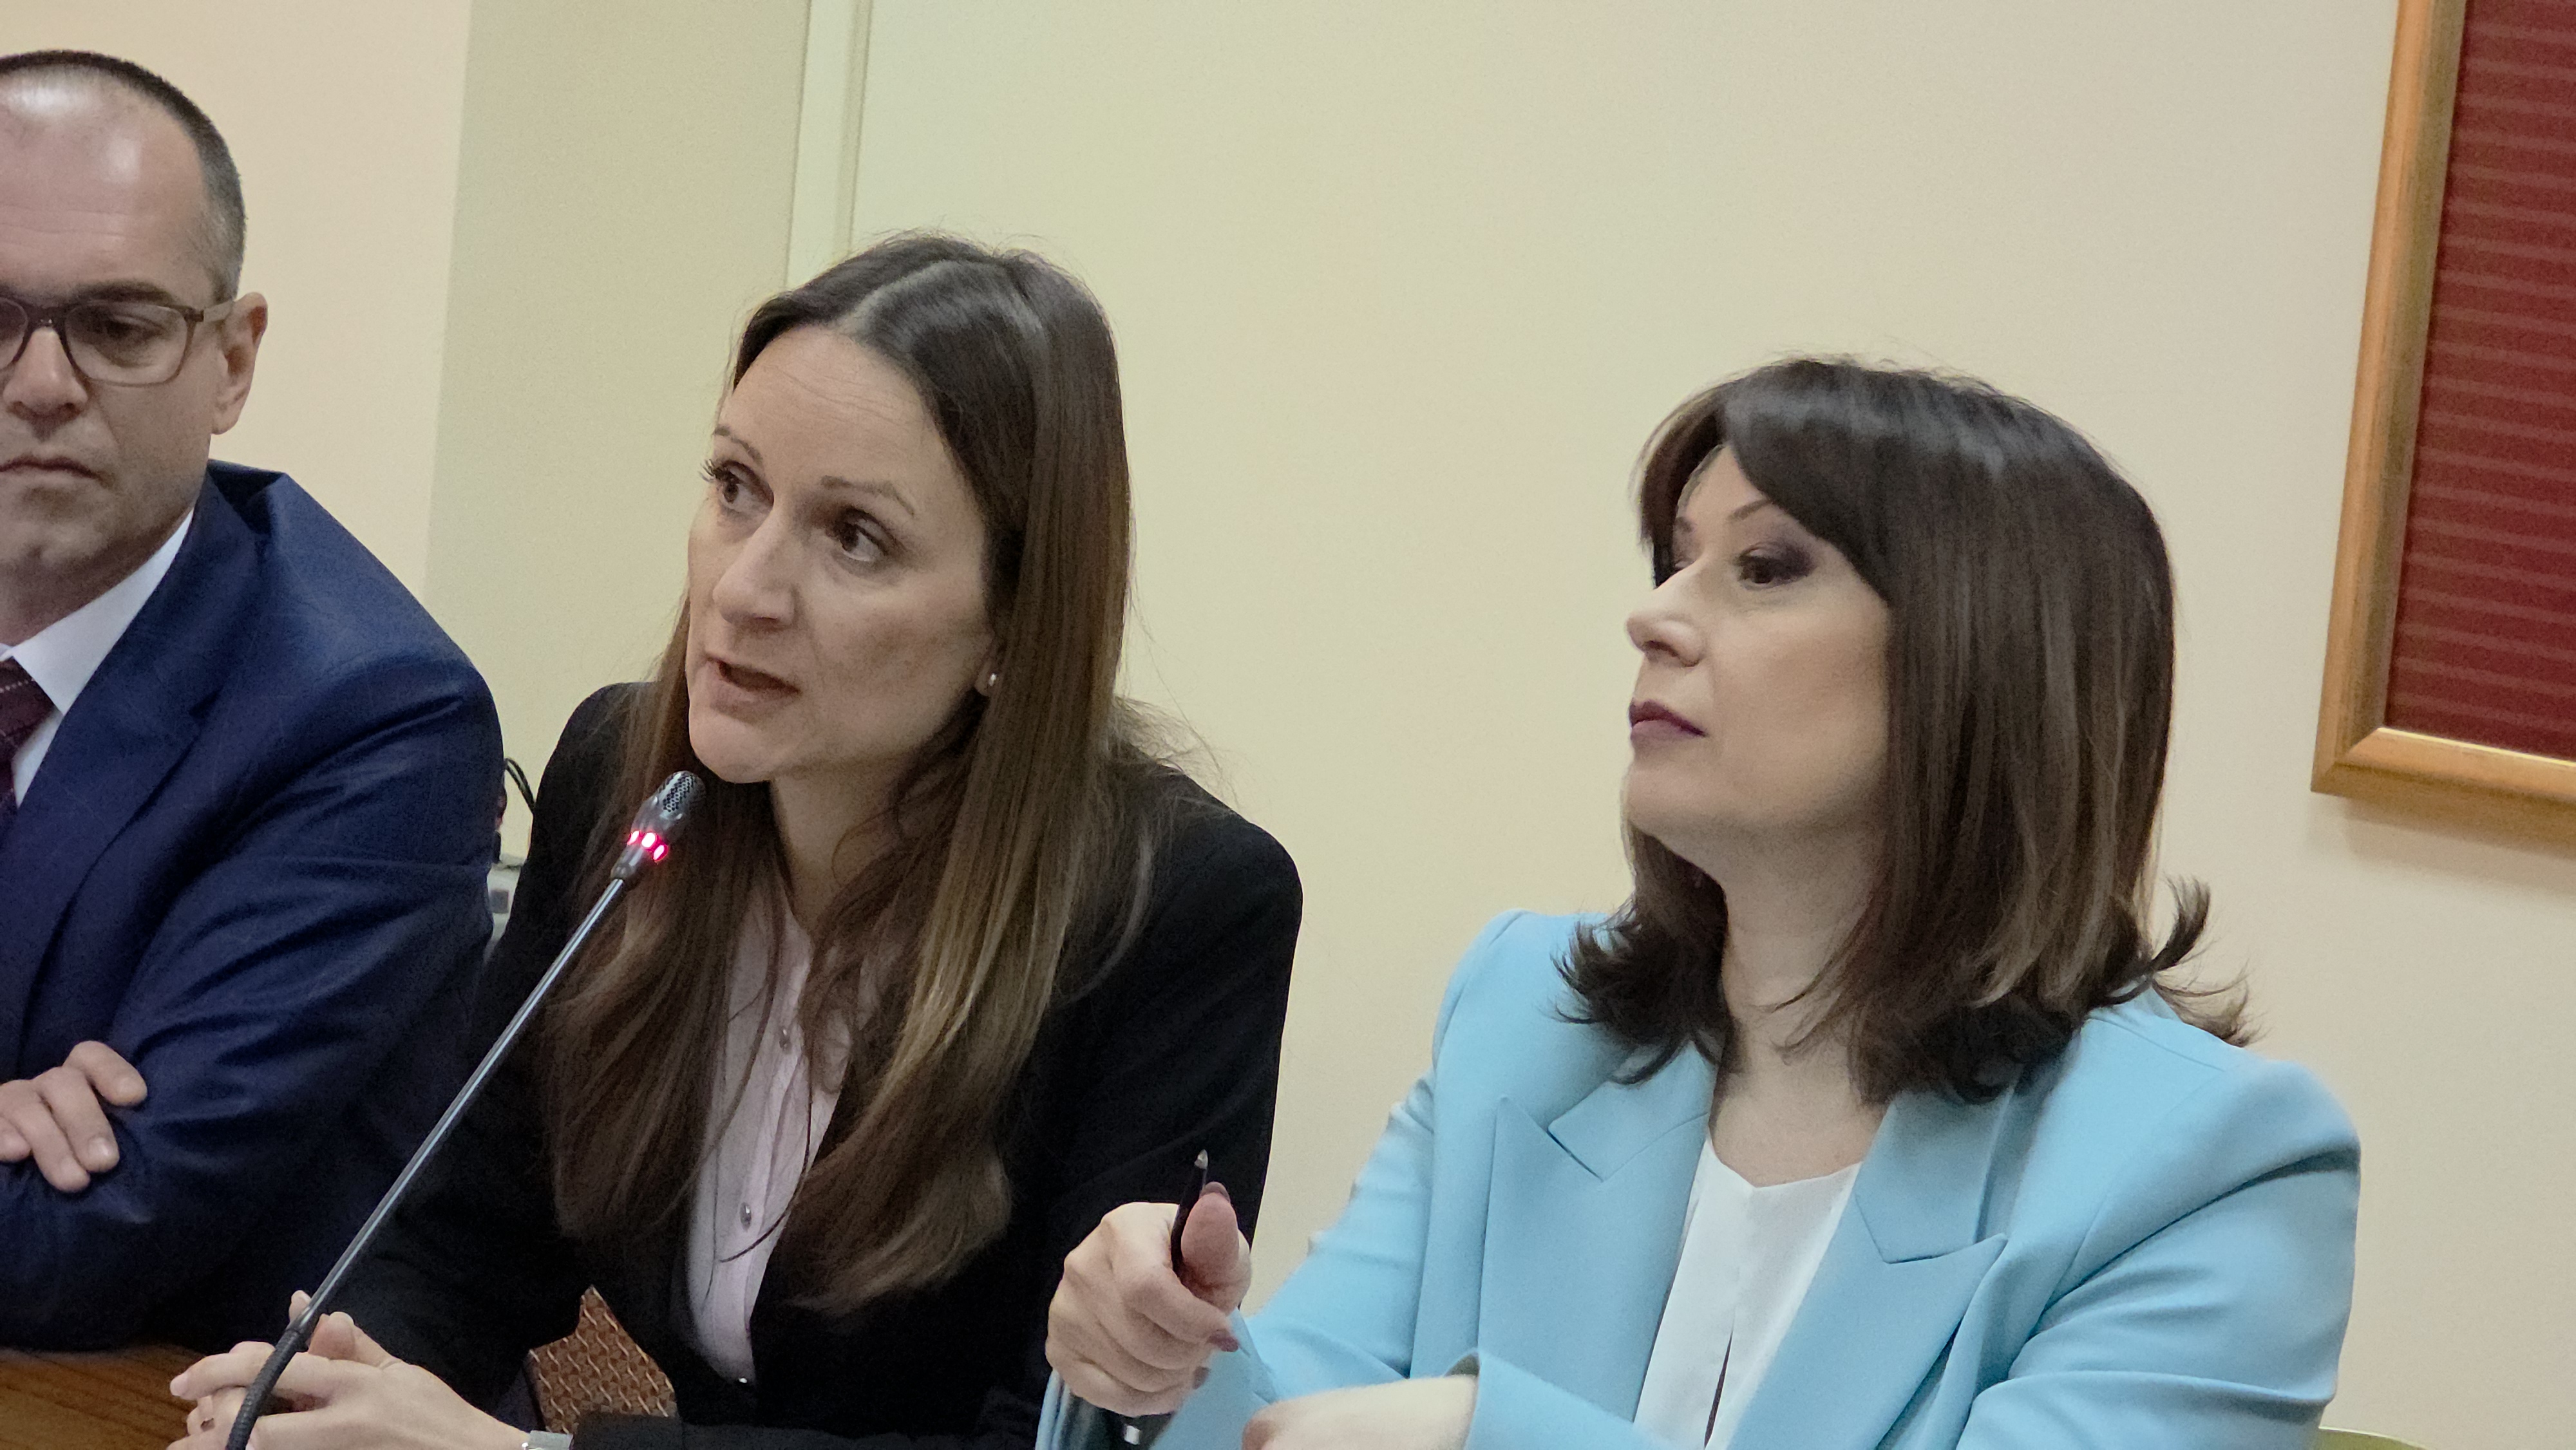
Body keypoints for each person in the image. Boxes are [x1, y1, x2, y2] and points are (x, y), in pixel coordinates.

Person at [1041, 359, 2360, 1450]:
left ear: (1977, 657)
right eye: (1675, 560)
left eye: (1764, 567)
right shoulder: (1523, 1014)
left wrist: (1489, 1435)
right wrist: (1157, 1364)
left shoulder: (2209, 1168)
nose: (1656, 617)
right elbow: (1300, 1413)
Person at [174, 234, 1304, 1449]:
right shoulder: (622, 779)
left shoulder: (1181, 910)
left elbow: (1049, 1438)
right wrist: (332, 1391)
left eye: (855, 536)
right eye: (735, 488)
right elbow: (464, 1240)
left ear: (1012, 625)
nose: (744, 590)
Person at [0, 51, 500, 1350]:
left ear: (230, 361)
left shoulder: (373, 714)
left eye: (118, 327)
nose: (42, 383)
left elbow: (82, 1242)